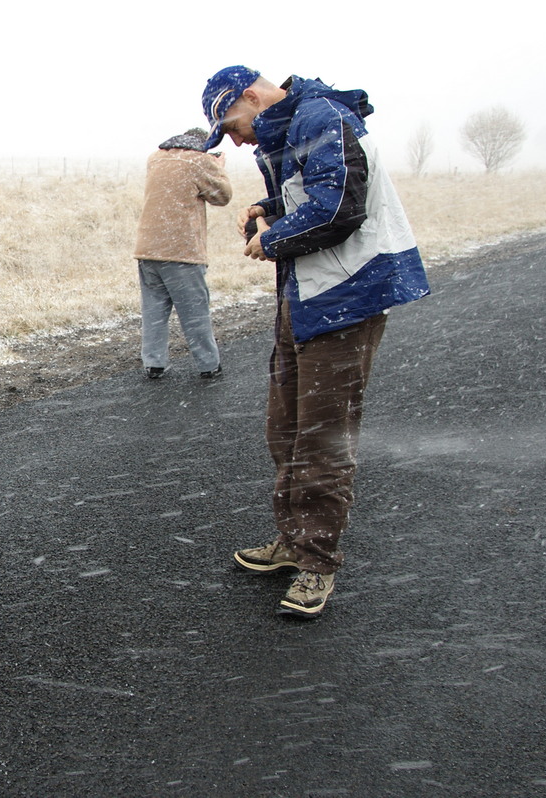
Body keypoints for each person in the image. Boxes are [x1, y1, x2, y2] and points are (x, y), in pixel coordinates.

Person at [200, 67, 430, 618]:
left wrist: (272, 239)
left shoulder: (323, 116)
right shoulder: (293, 123)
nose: (234, 140)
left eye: (232, 125)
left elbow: (338, 208)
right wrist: (271, 208)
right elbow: (313, 192)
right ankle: (293, 539)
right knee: (286, 427)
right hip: (307, 294)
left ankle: (316, 563)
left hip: (347, 297)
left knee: (324, 438)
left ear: (251, 97)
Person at [132, 128, 233, 379]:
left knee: (154, 310)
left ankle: (153, 363)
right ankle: (209, 365)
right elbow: (222, 196)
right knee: (195, 312)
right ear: (203, 145)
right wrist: (217, 166)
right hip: (181, 250)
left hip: (147, 247)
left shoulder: (155, 157)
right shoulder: (198, 160)